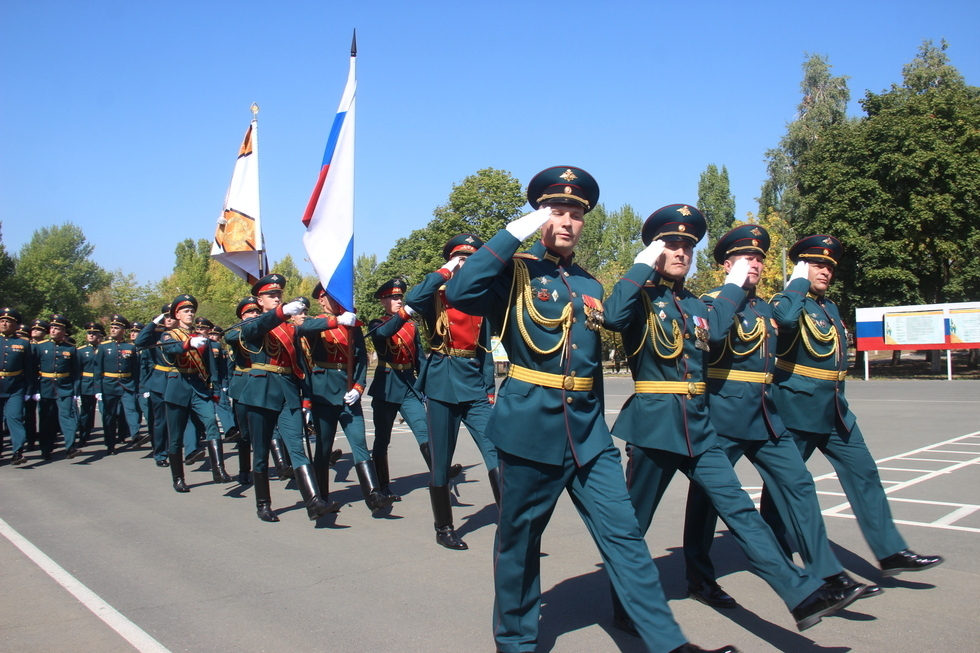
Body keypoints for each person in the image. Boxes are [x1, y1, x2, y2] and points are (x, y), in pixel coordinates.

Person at [446, 166, 735, 653]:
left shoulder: (589, 284)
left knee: (624, 536)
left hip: (587, 433)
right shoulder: (511, 270)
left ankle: (666, 641)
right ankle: (515, 642)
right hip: (530, 428)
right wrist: (511, 232)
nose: (567, 221)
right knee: (520, 542)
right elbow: (459, 293)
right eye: (556, 211)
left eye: (576, 213)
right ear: (540, 217)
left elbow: (592, 360)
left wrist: (596, 423)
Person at [682, 225, 879, 609]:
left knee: (799, 485)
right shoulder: (708, 301)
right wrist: (733, 289)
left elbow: (788, 321)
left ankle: (828, 574)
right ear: (726, 264)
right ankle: (699, 576)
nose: (754, 264)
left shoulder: (765, 309)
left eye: (758, 258)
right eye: (745, 257)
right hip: (721, 416)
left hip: (766, 417)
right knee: (707, 500)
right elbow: (715, 338)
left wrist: (799, 284)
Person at [763, 235, 944, 577]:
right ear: (802, 266)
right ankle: (778, 552)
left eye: (830, 267)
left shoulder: (828, 307)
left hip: (835, 411)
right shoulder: (787, 300)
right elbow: (786, 322)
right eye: (818, 265)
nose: (826, 272)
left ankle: (890, 551)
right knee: (786, 486)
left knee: (864, 473)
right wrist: (797, 281)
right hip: (796, 409)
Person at [405, 233, 500, 550]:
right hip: (442, 382)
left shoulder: (480, 298)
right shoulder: (437, 295)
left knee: (496, 451)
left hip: (473, 385)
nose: (467, 264)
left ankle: (513, 524)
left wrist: (489, 389)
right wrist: (446, 270)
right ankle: (443, 528)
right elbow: (412, 300)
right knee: (441, 460)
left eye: (473, 259)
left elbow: (485, 349)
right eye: (463, 259)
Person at [235, 273, 340, 522]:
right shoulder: (254, 323)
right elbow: (255, 329)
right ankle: (263, 504)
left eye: (279, 294)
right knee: (260, 452)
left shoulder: (290, 327)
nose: (276, 298)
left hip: (287, 391)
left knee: (297, 448)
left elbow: (309, 328)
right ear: (259, 300)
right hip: (260, 392)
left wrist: (338, 321)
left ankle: (314, 502)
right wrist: (281, 313)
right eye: (271, 295)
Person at [298, 283, 396, 515]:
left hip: (348, 391)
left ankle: (373, 495)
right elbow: (303, 328)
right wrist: (337, 321)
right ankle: (321, 498)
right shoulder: (318, 322)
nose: (336, 301)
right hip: (323, 391)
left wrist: (359, 386)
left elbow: (361, 357)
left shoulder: (352, 324)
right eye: (330, 298)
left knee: (359, 443)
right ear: (321, 300)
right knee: (323, 448)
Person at [368, 278, 450, 501]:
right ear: (383, 301)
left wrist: (427, 386)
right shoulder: (376, 323)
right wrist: (402, 315)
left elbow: (419, 358)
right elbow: (384, 334)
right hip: (386, 385)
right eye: (393, 298)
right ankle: (383, 486)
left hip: (407, 384)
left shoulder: (411, 326)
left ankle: (439, 475)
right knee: (382, 438)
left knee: (423, 430)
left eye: (399, 297)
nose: (397, 300)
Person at [137, 295, 225, 492]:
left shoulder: (199, 336)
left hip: (198, 385)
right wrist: (188, 344)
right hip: (177, 385)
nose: (190, 313)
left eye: (192, 310)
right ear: (177, 314)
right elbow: (170, 349)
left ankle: (219, 469)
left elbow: (211, 365)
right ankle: (178, 478)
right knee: (175, 435)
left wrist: (216, 390)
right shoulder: (169, 335)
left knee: (211, 421)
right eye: (186, 311)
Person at [34, 314, 80, 460]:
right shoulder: (40, 347)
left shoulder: (71, 349)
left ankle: (70, 447)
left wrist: (75, 391)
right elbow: (32, 369)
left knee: (67, 417)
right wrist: (35, 390)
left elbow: (75, 372)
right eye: (52, 328)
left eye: (57, 328)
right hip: (45, 387)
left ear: (64, 331)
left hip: (64, 387)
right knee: (46, 419)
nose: (53, 330)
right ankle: (45, 449)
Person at [96, 315, 142, 455]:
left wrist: (137, 386)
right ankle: (110, 443)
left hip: (127, 384)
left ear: (123, 330)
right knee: (109, 415)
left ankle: (135, 436)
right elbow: (97, 369)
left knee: (131, 410)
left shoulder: (130, 347)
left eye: (116, 328)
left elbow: (135, 369)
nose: (113, 330)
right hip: (109, 384)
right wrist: (98, 389)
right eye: (111, 328)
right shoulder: (103, 347)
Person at [1, 307, 37, 466]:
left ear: (15, 325)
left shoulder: (23, 343)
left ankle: (17, 451)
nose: (4, 323)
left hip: (15, 386)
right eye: (2, 321)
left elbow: (29, 368)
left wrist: (30, 389)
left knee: (15, 417)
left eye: (8, 321)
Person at [77, 323, 104, 449]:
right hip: (87, 384)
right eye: (89, 333)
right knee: (86, 411)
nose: (91, 335)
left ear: (100, 335)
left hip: (102, 384)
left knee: (106, 411)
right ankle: (84, 435)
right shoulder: (81, 351)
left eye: (94, 333)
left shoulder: (104, 349)